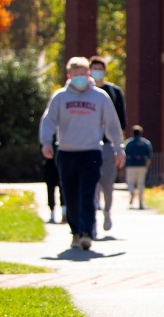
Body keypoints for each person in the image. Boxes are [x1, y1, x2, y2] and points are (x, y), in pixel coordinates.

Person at [40, 57, 125, 251]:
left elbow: (112, 124)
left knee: (88, 193)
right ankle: (75, 232)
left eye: (82, 74)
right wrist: (46, 142)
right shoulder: (60, 97)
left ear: (88, 74)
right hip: (67, 152)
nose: (79, 78)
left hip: (92, 151)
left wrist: (118, 148)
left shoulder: (100, 97)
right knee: (70, 195)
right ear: (69, 75)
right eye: (75, 75)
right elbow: (49, 121)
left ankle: (87, 232)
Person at [89, 56, 127, 234]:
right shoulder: (85, 93)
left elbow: (121, 121)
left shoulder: (113, 92)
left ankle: (107, 211)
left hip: (108, 145)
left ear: (104, 71)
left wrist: (118, 145)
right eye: (93, 68)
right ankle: (93, 219)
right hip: (89, 145)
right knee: (92, 184)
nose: (97, 71)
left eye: (99, 68)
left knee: (107, 183)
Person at [123, 125, 153, 209]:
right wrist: (146, 166)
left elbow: (124, 154)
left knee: (130, 182)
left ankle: (132, 193)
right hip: (142, 165)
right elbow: (149, 156)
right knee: (141, 184)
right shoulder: (145, 143)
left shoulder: (128, 143)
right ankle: (140, 202)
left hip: (130, 165)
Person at [42, 136, 62, 224]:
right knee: (50, 189)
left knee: (64, 189)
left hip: (62, 163)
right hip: (50, 163)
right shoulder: (46, 133)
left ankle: (65, 212)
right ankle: (52, 213)